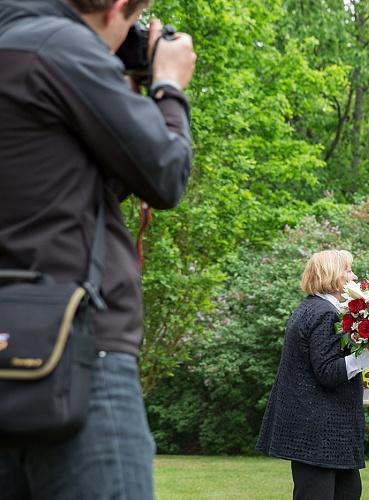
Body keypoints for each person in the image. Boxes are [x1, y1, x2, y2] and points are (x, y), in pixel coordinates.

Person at [0, 0, 195, 498]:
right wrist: (168, 87)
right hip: (78, 348)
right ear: (115, 7)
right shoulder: (62, 50)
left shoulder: (15, 48)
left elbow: (64, 193)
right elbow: (166, 174)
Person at [256, 250, 369, 500]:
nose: (354, 275)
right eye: (348, 270)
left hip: (324, 430)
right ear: (331, 275)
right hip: (317, 430)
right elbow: (329, 372)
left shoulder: (313, 308)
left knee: (348, 491)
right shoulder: (323, 313)